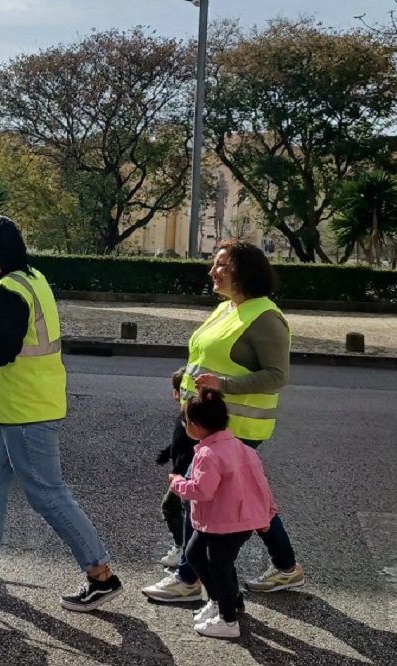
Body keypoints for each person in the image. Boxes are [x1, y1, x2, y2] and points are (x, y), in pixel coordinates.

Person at [0, 215, 123, 612]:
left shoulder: (4, 291)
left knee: (48, 496)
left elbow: (6, 350)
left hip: (26, 411)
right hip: (22, 407)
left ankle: (101, 575)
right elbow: (12, 343)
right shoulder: (32, 278)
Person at [143, 239, 304, 604]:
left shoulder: (264, 317)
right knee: (250, 501)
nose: (212, 271)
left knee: (198, 500)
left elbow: (277, 375)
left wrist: (224, 386)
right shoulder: (228, 309)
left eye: (221, 265)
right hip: (204, 423)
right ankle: (285, 566)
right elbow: (205, 358)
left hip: (235, 430)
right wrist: (183, 381)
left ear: (243, 272)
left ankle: (189, 576)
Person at [170, 388, 277, 639]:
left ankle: (228, 620)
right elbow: (260, 483)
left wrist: (176, 483)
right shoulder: (242, 448)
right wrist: (266, 513)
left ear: (194, 427)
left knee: (219, 568)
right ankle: (225, 602)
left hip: (225, 522)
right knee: (197, 554)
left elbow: (201, 490)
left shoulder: (208, 454)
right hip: (228, 520)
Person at [155, 367, 197, 568]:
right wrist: (166, 453)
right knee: (185, 510)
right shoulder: (189, 416)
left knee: (170, 506)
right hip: (186, 474)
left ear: (176, 393)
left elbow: (190, 448)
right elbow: (179, 443)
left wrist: (178, 473)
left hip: (186, 476)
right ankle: (188, 547)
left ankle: (182, 548)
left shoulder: (187, 418)